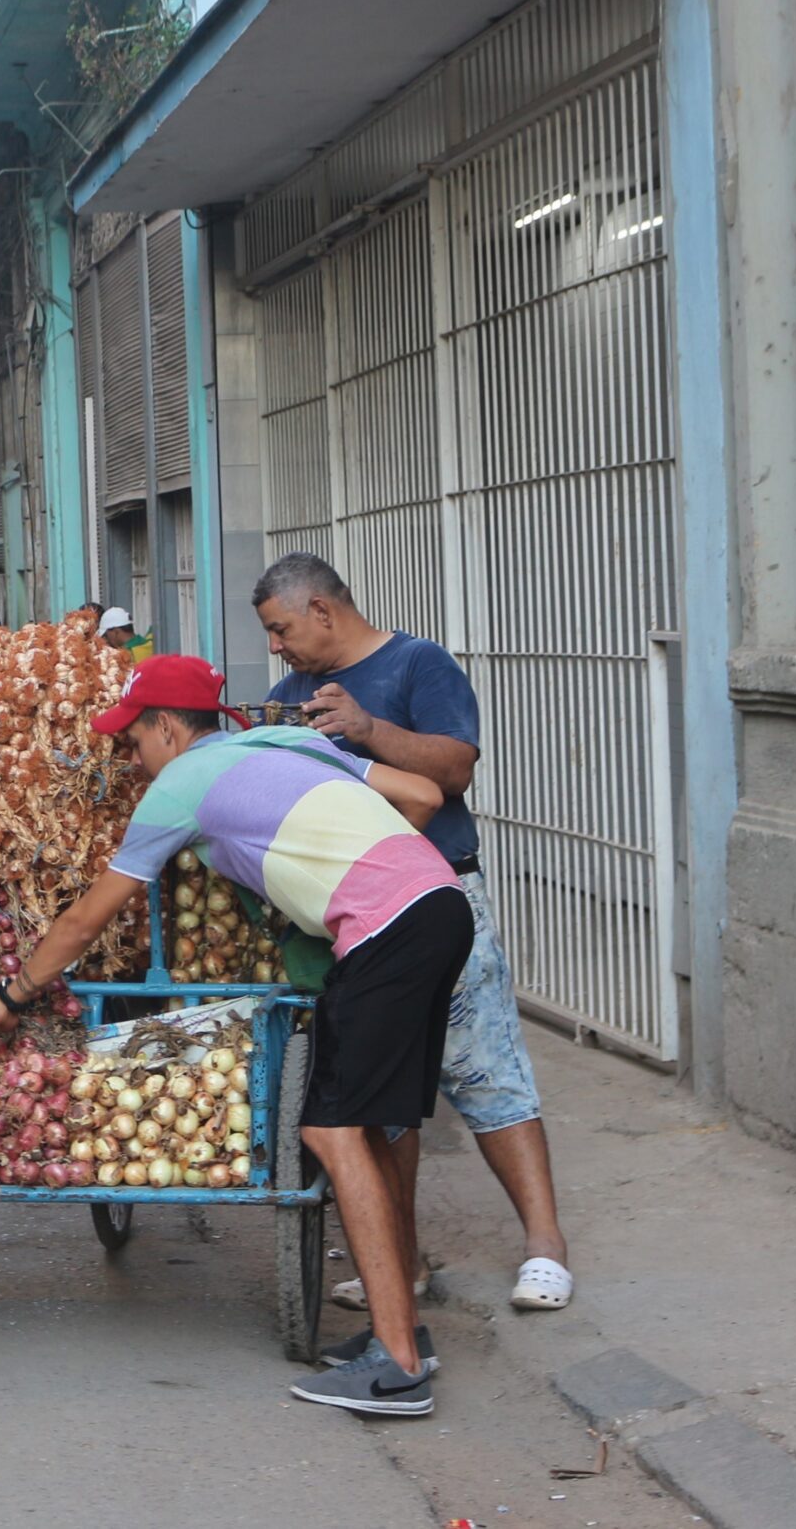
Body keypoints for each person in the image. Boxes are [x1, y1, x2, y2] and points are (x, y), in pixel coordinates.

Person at [0, 654, 466, 1416]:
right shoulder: (292, 745)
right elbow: (421, 792)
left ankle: (396, 1367)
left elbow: (90, 916)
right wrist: (351, 869)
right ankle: (402, 1331)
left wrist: (11, 997)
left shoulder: (182, 783)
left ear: (166, 727)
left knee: (331, 1128)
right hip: (438, 904)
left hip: (386, 932)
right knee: (369, 1128)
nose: (130, 756)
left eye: (133, 739)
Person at [254, 551, 572, 1315]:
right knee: (386, 1101)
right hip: (352, 917)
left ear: (323, 610)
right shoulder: (287, 696)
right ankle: (403, 1260)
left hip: (441, 895)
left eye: (281, 628)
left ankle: (546, 1247)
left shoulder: (418, 664)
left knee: (486, 1071)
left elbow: (455, 768)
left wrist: (367, 729)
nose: (276, 647)